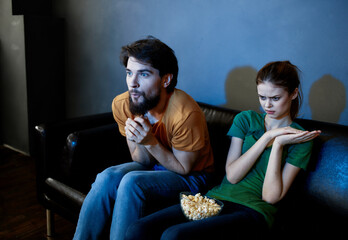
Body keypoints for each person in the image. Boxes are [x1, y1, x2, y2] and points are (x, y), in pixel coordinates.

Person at [124, 61, 321, 240]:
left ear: (293, 93)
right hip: (216, 198)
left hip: (254, 211)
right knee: (138, 229)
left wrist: (278, 145)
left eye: (275, 98)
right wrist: (267, 138)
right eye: (262, 97)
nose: (267, 105)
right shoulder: (245, 120)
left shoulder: (301, 138)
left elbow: (270, 197)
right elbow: (233, 175)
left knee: (174, 236)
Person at [73, 36, 214, 240]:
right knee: (108, 176)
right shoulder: (124, 104)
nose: (133, 83)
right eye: (129, 73)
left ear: (165, 79)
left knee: (132, 182)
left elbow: (185, 169)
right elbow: (141, 160)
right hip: (156, 166)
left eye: (144, 74)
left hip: (194, 177)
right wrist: (141, 141)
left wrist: (150, 141)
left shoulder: (185, 113)